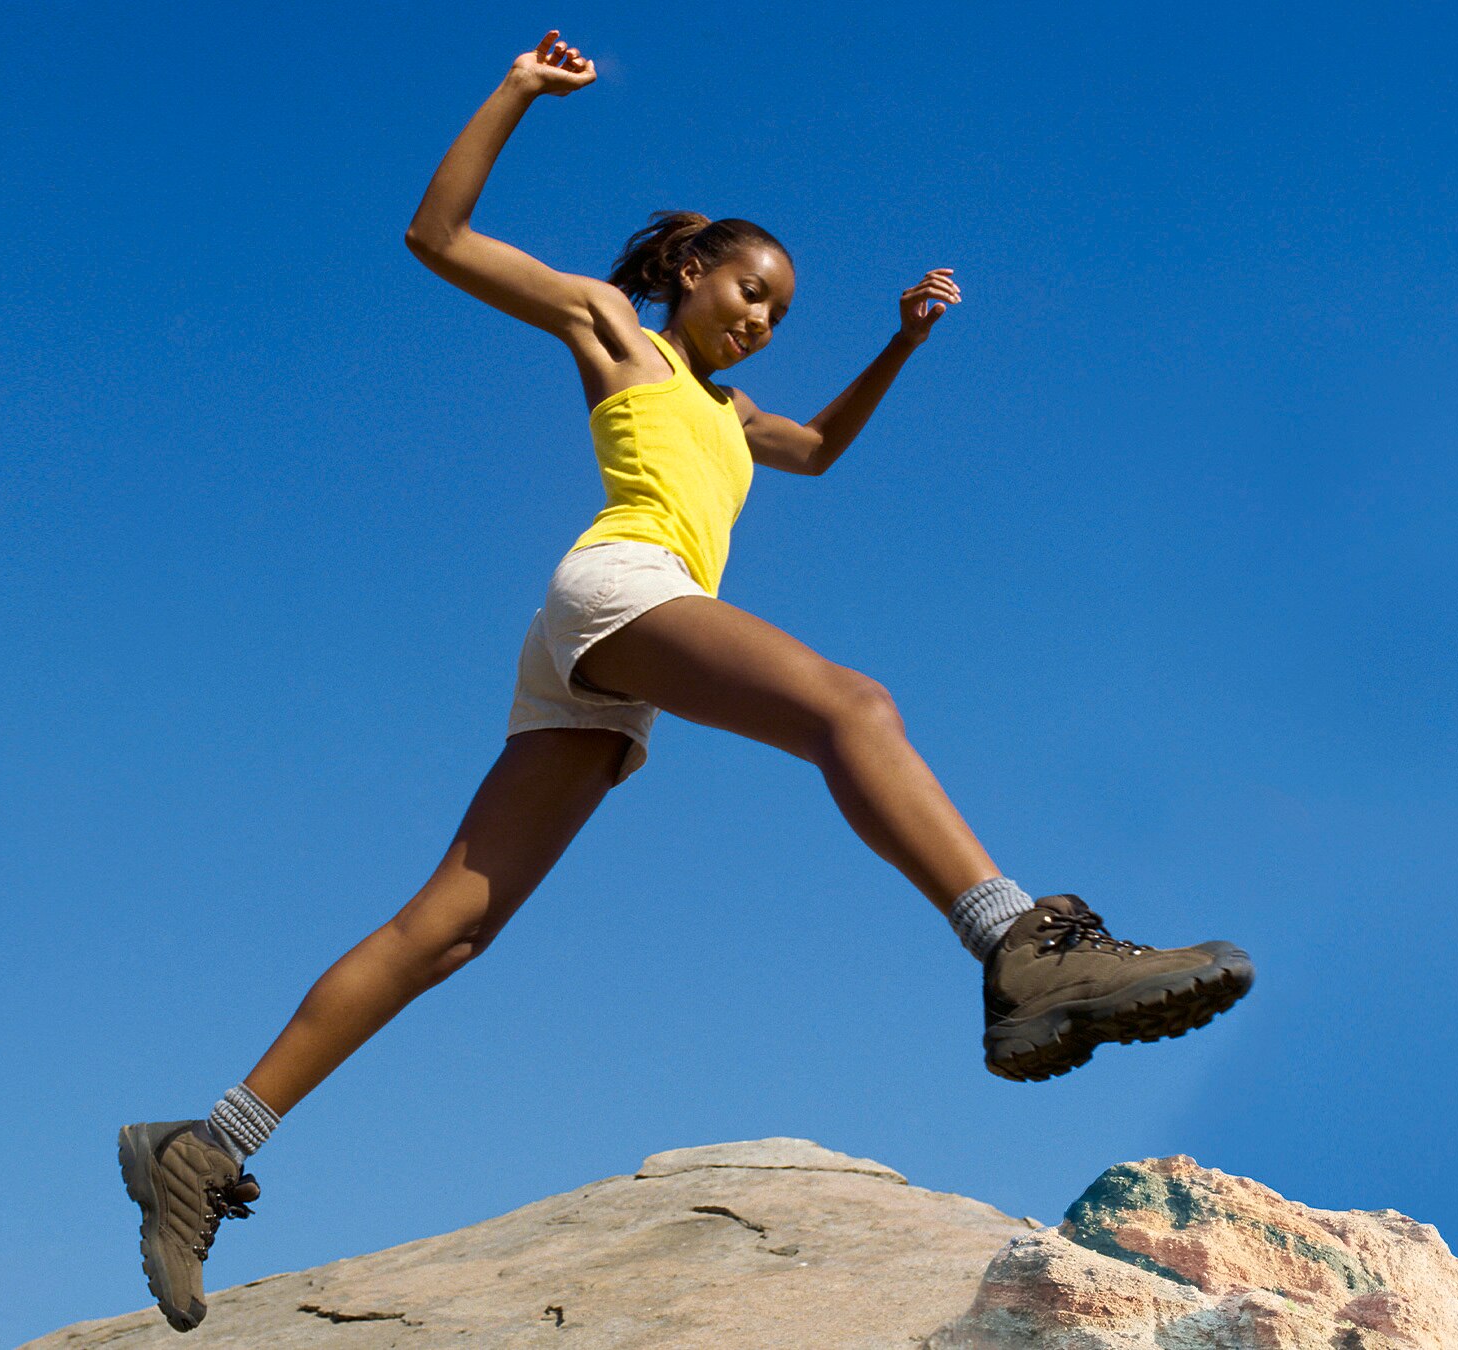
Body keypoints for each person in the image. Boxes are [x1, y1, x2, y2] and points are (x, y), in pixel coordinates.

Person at [117, 31, 1253, 1333]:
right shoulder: (619, 335)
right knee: (853, 708)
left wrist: (902, 344)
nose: (760, 316)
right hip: (620, 588)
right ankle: (1018, 946)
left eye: (778, 308)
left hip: (602, 663)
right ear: (688, 271)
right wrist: (519, 93)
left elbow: (816, 448)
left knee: (453, 925)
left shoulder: (730, 414)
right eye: (748, 289)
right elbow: (438, 235)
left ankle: (204, 1143)